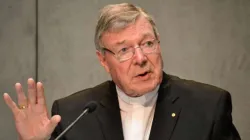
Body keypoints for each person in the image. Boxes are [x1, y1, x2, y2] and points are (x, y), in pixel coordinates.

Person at [3, 3, 241, 140]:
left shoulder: (208, 106)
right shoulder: (72, 114)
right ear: (104, 60)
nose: (140, 59)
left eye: (148, 44)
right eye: (124, 50)